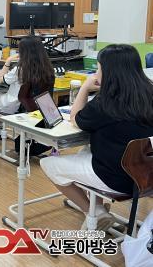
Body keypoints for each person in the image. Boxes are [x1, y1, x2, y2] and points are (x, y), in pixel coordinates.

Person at [40, 44, 153, 231]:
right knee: (86, 150)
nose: (96, 73)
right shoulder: (148, 93)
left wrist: (85, 88)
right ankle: (96, 206)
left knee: (48, 163)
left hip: (117, 179)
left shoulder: (105, 103)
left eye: (98, 69)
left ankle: (95, 211)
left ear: (109, 72)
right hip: (147, 176)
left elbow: (75, 118)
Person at [0, 36, 54, 115]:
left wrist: (8, 61)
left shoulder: (20, 69)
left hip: (13, 104)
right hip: (33, 106)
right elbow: (16, 75)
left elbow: (1, 79)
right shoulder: (48, 68)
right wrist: (2, 71)